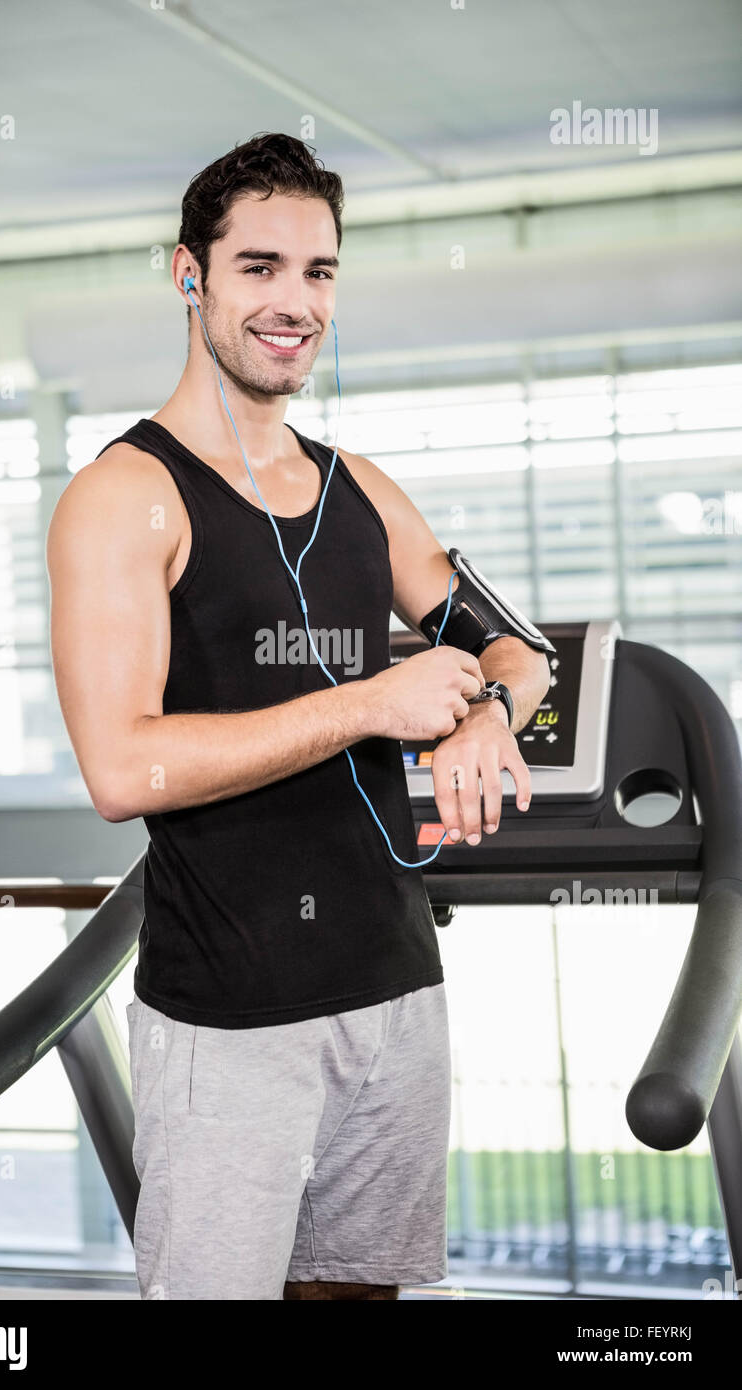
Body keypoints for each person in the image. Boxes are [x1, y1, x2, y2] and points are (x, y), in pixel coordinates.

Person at [46, 132, 549, 1300]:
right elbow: (121, 768)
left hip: (394, 989)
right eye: (259, 267)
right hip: (228, 1023)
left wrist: (486, 719)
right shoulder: (126, 497)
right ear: (189, 274)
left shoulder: (360, 487)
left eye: (318, 272)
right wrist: (370, 699)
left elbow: (520, 652)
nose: (294, 302)